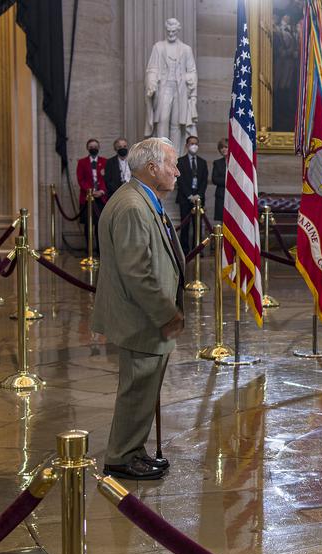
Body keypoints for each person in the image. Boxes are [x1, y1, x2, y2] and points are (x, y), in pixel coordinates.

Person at [92, 137, 185, 481]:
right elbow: (137, 270)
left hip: (143, 316)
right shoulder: (132, 206)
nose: (176, 171)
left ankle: (133, 450)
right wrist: (166, 314)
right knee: (137, 389)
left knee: (143, 389)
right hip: (140, 317)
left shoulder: (144, 199)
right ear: (151, 169)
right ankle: (121, 457)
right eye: (171, 165)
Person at [145, 18, 198, 150]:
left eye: (173, 31)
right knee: (163, 120)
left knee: (177, 123)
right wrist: (151, 81)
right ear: (166, 30)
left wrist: (189, 79)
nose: (171, 34)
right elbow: (152, 68)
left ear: (177, 30)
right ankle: (162, 152)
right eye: (169, 31)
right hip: (164, 87)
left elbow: (192, 70)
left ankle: (175, 154)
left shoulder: (186, 49)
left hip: (180, 89)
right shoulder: (158, 47)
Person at [175, 135, 208, 253]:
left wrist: (198, 195)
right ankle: (184, 250)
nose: (194, 146)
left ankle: (197, 249)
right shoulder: (180, 161)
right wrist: (190, 196)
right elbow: (180, 180)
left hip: (199, 199)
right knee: (185, 225)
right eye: (191, 143)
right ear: (187, 145)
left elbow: (204, 181)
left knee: (197, 226)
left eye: (196, 144)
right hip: (185, 198)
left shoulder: (202, 162)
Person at [76, 139, 108, 254]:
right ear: (87, 148)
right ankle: (89, 249)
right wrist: (91, 191)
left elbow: (107, 179)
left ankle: (100, 250)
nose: (93, 148)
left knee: (100, 225)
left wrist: (102, 191)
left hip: (101, 199)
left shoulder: (105, 161)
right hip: (87, 198)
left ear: (99, 148)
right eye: (91, 146)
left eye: (95, 146)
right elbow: (81, 180)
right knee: (88, 226)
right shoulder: (82, 162)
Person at [211, 138, 228, 223]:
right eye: (221, 147)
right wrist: (230, 181)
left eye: (226, 147)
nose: (223, 149)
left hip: (234, 196)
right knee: (222, 221)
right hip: (221, 195)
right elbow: (215, 179)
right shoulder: (217, 162)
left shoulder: (236, 163)